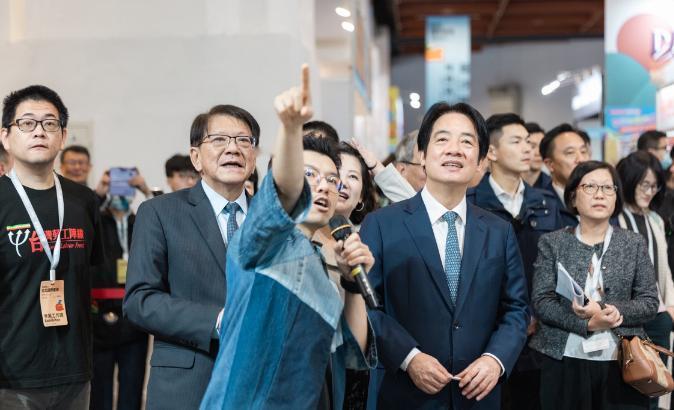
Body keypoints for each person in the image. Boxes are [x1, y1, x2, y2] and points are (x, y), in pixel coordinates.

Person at [200, 65, 376, 410]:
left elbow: (348, 354)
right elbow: (285, 190)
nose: (324, 186)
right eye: (310, 174)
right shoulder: (262, 241)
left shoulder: (318, 266)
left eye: (332, 179)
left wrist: (351, 284)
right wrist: (291, 128)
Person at [360, 102, 529, 409]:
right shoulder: (382, 224)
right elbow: (368, 305)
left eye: (467, 142)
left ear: (480, 161)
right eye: (442, 139)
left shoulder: (499, 231)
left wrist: (495, 360)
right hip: (404, 394)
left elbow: (516, 309)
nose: (454, 149)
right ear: (422, 155)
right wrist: (409, 357)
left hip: (477, 396)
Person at [123, 103, 259, 409]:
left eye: (243, 140)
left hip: (259, 380)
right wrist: (217, 321)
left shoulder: (272, 218)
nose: (233, 149)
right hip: (187, 384)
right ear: (196, 157)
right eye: (219, 139)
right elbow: (140, 300)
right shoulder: (159, 213)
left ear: (253, 156)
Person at [0, 85, 104, 409]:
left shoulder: (84, 200)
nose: (39, 131)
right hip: (11, 378)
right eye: (26, 123)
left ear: (63, 136)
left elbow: (88, 275)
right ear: (5, 137)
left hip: (75, 373)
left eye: (49, 123)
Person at [530, 160, 658, 410]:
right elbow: (542, 301)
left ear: (616, 197)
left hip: (624, 360)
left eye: (608, 188)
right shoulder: (552, 242)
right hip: (564, 358)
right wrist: (586, 323)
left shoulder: (633, 243)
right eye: (590, 187)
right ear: (573, 196)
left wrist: (606, 310)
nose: (600, 194)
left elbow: (649, 302)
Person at [467, 113, 562, 410]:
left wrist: (537, 312)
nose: (527, 148)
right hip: (487, 333)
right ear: (492, 152)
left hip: (540, 332)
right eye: (517, 141)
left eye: (529, 142)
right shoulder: (470, 202)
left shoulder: (546, 203)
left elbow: (558, 265)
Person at [616, 151, 674, 410]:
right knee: (626, 390)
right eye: (644, 185)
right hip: (626, 316)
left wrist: (669, 305)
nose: (650, 191)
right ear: (628, 181)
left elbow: (664, 267)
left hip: (658, 315)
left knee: (656, 386)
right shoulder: (615, 218)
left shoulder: (655, 219)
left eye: (655, 186)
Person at [90, 195, 148, 410]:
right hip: (98, 316)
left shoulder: (141, 221)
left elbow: (170, 220)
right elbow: (81, 214)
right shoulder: (97, 221)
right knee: (98, 390)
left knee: (132, 386)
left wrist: (144, 189)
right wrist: (99, 194)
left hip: (134, 315)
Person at [539, 123, 591, 227]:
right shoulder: (539, 204)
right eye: (570, 152)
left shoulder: (603, 198)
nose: (581, 159)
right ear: (550, 164)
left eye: (583, 151)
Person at [522, 122, 550, 189]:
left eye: (541, 146)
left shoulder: (551, 186)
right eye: (532, 146)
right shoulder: (509, 183)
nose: (538, 153)